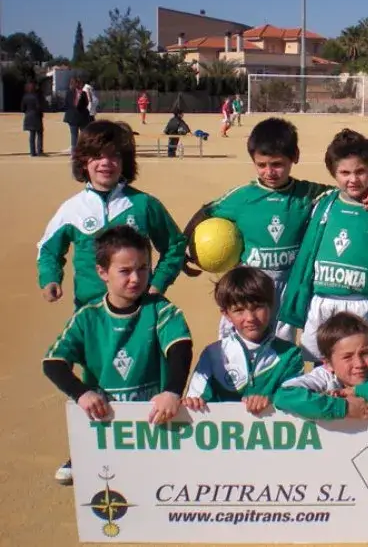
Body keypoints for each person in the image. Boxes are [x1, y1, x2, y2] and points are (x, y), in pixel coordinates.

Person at [182, 118, 368, 343]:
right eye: (261, 165)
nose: (269, 172)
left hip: (289, 284)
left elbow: (344, 192)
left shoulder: (308, 194)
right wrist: (182, 249)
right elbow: (205, 212)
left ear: (294, 156)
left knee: (280, 345)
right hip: (251, 282)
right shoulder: (242, 196)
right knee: (237, 342)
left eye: (277, 164)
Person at [42, 225, 193, 485]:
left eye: (143, 269)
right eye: (125, 271)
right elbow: (53, 362)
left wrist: (172, 391)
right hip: (106, 424)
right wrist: (81, 393)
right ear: (103, 272)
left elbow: (180, 348)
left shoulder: (161, 310)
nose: (136, 278)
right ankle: (80, 454)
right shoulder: (87, 317)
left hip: (154, 424)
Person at [280, 129, 368, 363]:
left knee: (357, 367)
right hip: (322, 302)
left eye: (361, 171)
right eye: (344, 172)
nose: (353, 179)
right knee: (320, 366)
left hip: (361, 304)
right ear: (333, 173)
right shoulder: (322, 202)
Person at [37, 120, 186, 310]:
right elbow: (48, 250)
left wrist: (158, 284)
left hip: (140, 312)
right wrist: (50, 278)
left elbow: (175, 245)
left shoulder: (144, 204)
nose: (105, 163)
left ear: (124, 162)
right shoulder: (72, 209)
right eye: (97, 156)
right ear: (83, 162)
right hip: (89, 313)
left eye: (114, 155)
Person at [183, 266, 303, 411]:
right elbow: (195, 401)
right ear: (226, 314)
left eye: (258, 307)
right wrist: (193, 403)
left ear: (271, 306)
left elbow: (296, 399)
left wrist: (270, 401)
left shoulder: (290, 355)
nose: (250, 318)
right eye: (239, 310)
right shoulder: (213, 355)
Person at [274, 312, 368, 420]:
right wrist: (345, 408)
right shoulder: (324, 377)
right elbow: (284, 395)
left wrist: (359, 391)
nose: (359, 364)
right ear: (328, 364)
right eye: (347, 357)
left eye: (366, 353)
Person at [63, 78, 89, 152]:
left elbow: (66, 104)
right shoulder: (83, 93)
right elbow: (86, 104)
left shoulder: (68, 93)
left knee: (74, 135)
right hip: (81, 117)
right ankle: (83, 150)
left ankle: (74, 152)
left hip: (72, 117)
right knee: (83, 135)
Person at [21, 82, 44, 157]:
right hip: (36, 116)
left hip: (28, 116)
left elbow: (22, 108)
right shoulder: (36, 96)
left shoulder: (25, 96)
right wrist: (40, 113)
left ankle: (32, 152)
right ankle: (39, 151)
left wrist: (27, 112)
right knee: (39, 134)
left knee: (32, 135)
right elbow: (38, 106)